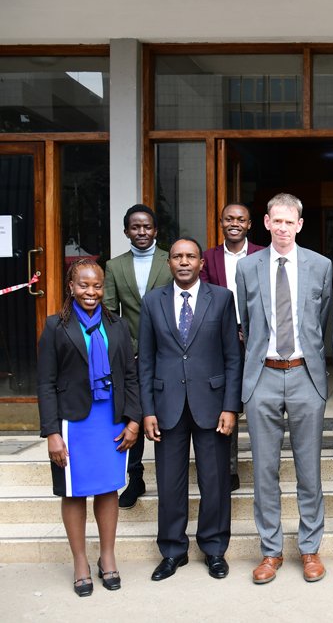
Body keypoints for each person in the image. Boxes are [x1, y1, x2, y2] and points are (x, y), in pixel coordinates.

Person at [236, 193, 333, 585]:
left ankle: (310, 549)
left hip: (305, 373)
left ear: (300, 225)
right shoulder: (247, 267)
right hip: (263, 375)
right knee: (265, 469)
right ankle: (270, 551)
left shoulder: (320, 266)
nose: (282, 228)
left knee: (309, 469)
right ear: (266, 222)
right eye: (276, 221)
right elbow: (247, 323)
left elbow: (320, 319)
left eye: (289, 221)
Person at [139, 238, 242, 581]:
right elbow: (146, 361)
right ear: (168, 263)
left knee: (215, 481)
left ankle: (214, 549)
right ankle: (172, 551)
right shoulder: (152, 301)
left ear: (201, 263)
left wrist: (231, 406)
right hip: (166, 406)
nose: (184, 262)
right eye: (177, 257)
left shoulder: (222, 299)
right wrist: (147, 410)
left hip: (212, 405)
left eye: (190, 256)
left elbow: (233, 357)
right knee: (170, 483)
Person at [37, 259, 141, 596]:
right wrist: (52, 433)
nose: (91, 292)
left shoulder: (117, 326)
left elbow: (130, 376)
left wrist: (134, 420)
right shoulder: (56, 326)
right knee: (74, 490)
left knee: (108, 488)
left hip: (111, 420)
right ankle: (80, 561)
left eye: (97, 285)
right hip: (73, 422)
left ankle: (107, 556)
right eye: (83, 285)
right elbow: (46, 383)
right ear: (71, 287)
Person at [103, 204, 173, 509]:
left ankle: (169, 477)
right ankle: (135, 477)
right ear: (126, 231)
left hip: (170, 352)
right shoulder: (114, 266)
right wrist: (131, 347)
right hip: (130, 353)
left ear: (155, 230)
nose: (141, 232)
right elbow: (109, 313)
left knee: (167, 413)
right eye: (135, 227)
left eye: (146, 226)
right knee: (133, 412)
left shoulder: (171, 260)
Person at [199, 202, 266, 492]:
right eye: (229, 219)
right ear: (221, 222)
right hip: (220, 339)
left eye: (240, 219)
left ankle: (265, 469)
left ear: (249, 224)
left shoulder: (263, 254)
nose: (234, 223)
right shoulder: (208, 257)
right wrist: (228, 330)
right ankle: (229, 469)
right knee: (227, 403)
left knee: (260, 403)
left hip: (257, 339)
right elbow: (204, 297)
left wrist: (249, 330)